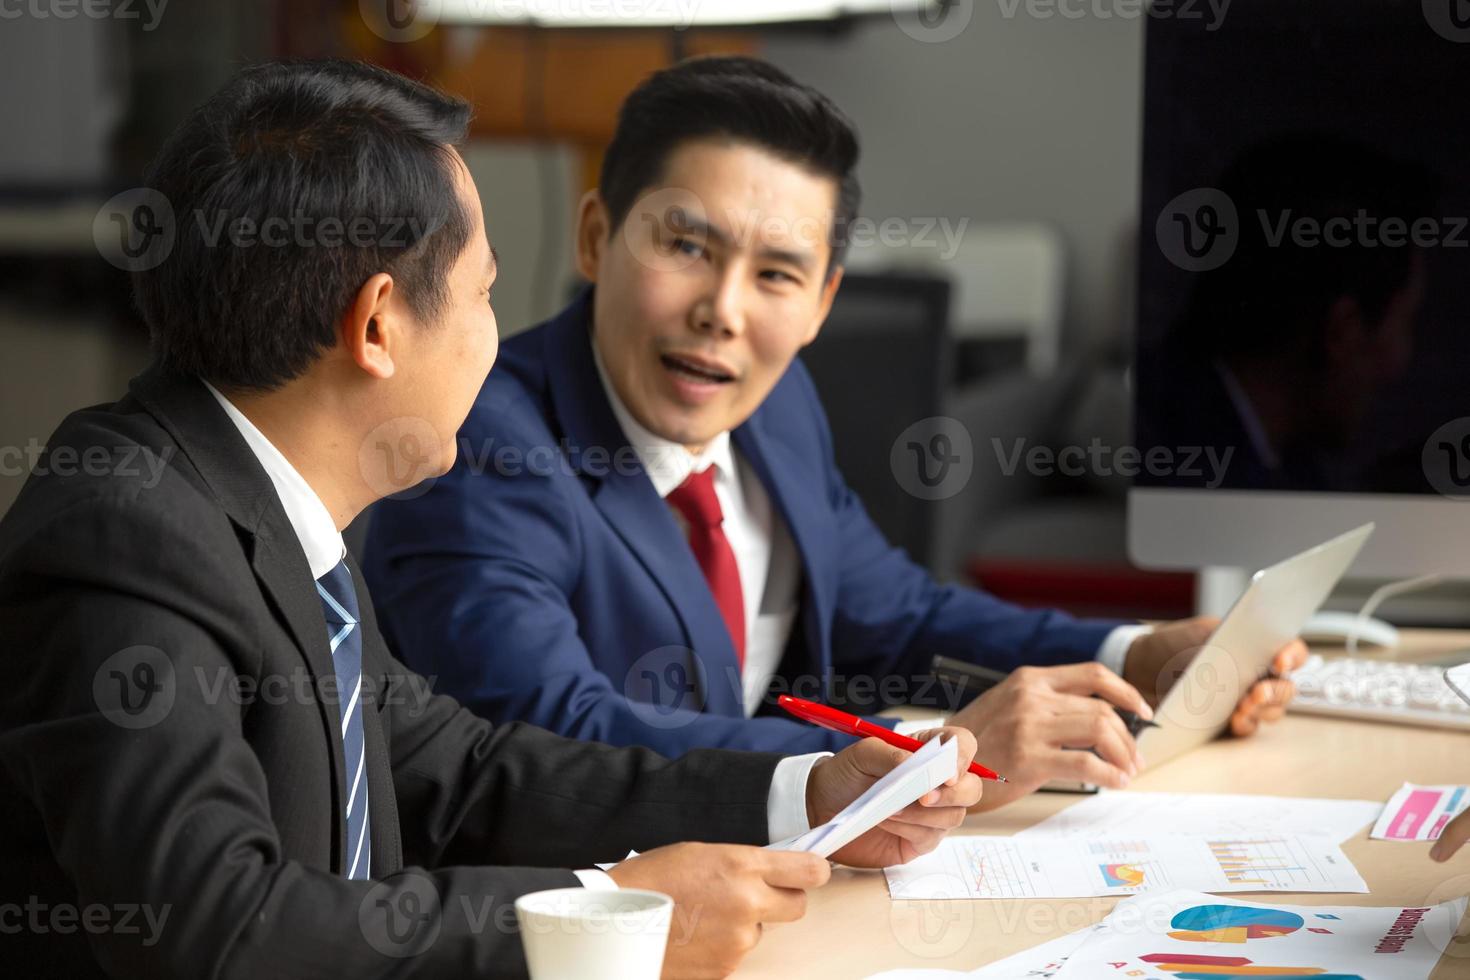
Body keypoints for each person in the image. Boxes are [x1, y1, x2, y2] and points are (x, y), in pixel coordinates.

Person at [0, 59, 984, 979]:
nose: (494, 334)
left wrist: (800, 792)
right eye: (484, 292)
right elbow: (219, 922)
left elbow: (461, 770)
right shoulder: (126, 538)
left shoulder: (266, 500)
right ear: (379, 325)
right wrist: (604, 910)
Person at [363, 55, 1304, 812]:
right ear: (597, 238)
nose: (723, 312)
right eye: (687, 247)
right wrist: (920, 757)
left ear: (823, 302)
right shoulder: (480, 441)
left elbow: (894, 614)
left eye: (776, 274)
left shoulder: (775, 403)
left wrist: (1131, 657)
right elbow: (551, 730)